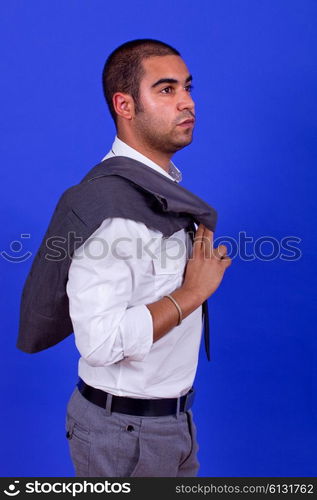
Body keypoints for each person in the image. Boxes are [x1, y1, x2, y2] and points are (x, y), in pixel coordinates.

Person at [62, 39, 232, 477]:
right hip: (124, 436)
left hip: (172, 423)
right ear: (125, 105)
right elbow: (99, 344)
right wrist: (193, 292)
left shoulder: (162, 191)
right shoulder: (111, 208)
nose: (188, 103)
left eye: (188, 88)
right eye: (166, 90)